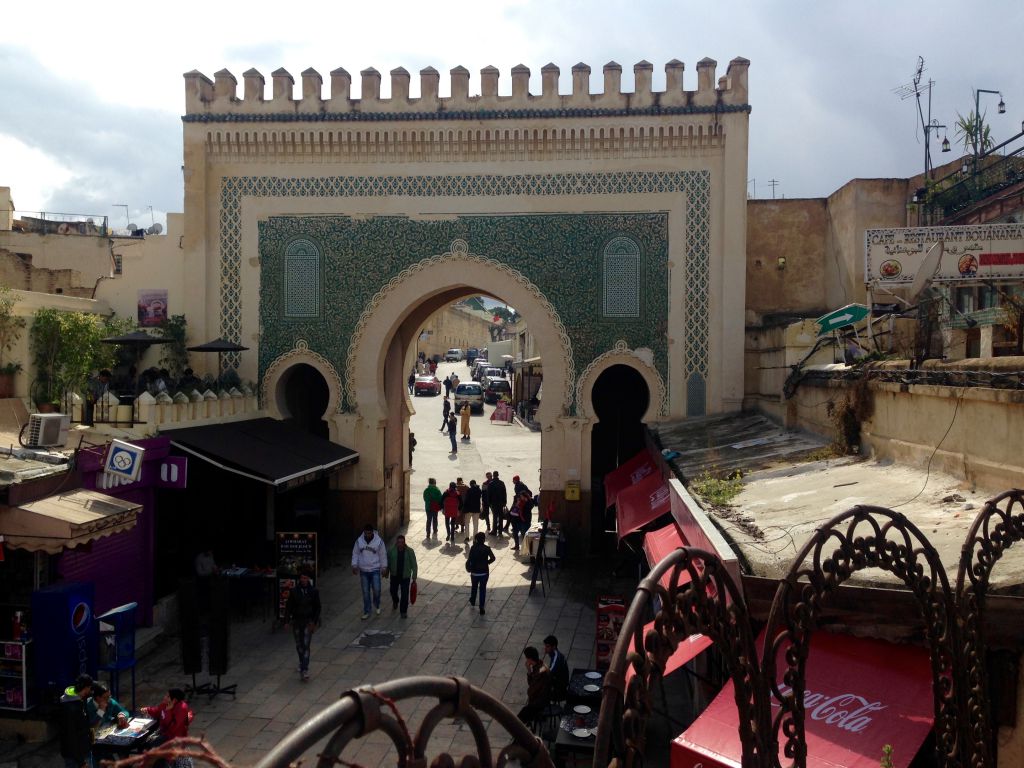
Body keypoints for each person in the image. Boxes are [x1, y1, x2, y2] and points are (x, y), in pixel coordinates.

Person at [283, 570, 321, 680]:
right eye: (302, 578)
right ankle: (301, 662)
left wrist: (314, 621)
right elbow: (289, 607)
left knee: (306, 645)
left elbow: (317, 607)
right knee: (299, 644)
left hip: (308, 621)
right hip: (297, 621)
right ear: (300, 579)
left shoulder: (313, 591)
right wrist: (286, 621)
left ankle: (305, 669)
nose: (304, 580)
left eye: (306, 578)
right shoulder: (294, 591)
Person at [352, 524, 388, 619]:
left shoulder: (379, 542)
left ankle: (377, 604)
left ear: (372, 532)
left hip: (375, 569)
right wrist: (354, 565)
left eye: (369, 533)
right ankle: (367, 611)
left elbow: (383, 555)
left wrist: (384, 567)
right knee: (365, 592)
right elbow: (355, 553)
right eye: (365, 533)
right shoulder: (359, 541)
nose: (367, 535)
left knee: (377, 589)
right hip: (363, 570)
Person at [59, 673, 94, 768]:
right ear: (86, 688)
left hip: (83, 751)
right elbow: (70, 736)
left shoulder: (79, 701)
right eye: (90, 688)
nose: (91, 690)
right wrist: (81, 762)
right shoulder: (71, 709)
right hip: (75, 757)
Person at [516, 647, 551, 724]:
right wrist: (529, 671)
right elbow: (532, 683)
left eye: (526, 658)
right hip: (538, 699)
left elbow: (531, 688)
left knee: (518, 720)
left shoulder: (540, 671)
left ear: (530, 659)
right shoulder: (540, 665)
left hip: (540, 702)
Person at [386, 535, 417, 619]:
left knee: (405, 594)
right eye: (399, 542)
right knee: (393, 591)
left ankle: (403, 611)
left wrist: (414, 576)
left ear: (404, 542)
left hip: (405, 576)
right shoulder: (391, 551)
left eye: (402, 542)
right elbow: (388, 562)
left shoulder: (410, 551)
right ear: (396, 542)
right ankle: (395, 601)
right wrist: (386, 572)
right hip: (394, 575)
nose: (400, 544)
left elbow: (414, 564)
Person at [467, 532, 496, 615]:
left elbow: (470, 559)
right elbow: (493, 558)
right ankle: (481, 607)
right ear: (484, 539)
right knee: (482, 589)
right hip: (484, 572)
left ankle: (473, 600)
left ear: (476, 539)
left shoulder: (473, 548)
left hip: (474, 572)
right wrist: (487, 562)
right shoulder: (487, 548)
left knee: (474, 587)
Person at [543, 635, 569, 702]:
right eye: (545, 646)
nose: (545, 648)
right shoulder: (553, 654)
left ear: (554, 647)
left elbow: (549, 672)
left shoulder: (557, 658)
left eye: (547, 646)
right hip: (557, 680)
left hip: (559, 686)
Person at [489, 470, 507, 536]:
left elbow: (489, 494)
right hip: (501, 503)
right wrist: (505, 502)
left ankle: (494, 531)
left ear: (493, 475)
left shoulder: (491, 483)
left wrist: (489, 502)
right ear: (498, 475)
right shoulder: (501, 483)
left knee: (495, 517)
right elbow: (504, 493)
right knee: (500, 517)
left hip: (493, 503)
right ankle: (500, 531)